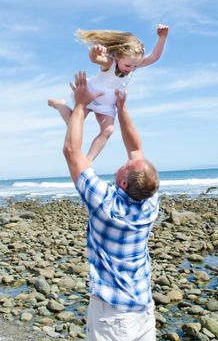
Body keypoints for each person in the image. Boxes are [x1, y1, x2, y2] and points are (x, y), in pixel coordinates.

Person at [63, 71, 160, 340]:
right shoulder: (150, 202)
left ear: (124, 183)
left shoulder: (105, 204)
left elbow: (72, 153)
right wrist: (122, 107)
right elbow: (136, 150)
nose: (125, 160)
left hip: (112, 315)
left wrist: (81, 104)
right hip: (143, 308)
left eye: (125, 167)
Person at [49, 24, 168, 161]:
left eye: (135, 66)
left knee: (108, 130)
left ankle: (88, 161)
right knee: (72, 123)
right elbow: (95, 59)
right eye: (128, 65)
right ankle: (59, 104)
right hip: (91, 96)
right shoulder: (109, 64)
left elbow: (154, 57)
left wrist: (162, 37)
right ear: (117, 57)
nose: (131, 69)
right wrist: (95, 52)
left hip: (107, 103)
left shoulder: (132, 64)